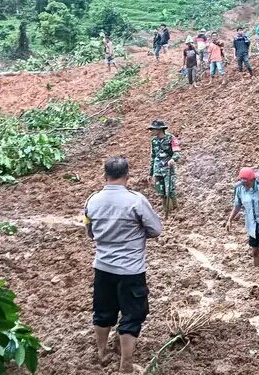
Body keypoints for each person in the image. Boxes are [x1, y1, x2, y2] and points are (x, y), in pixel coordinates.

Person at [84, 156, 162, 373]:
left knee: (102, 311)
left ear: (105, 175)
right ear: (127, 175)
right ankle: (126, 362)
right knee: (132, 314)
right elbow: (155, 229)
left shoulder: (92, 201)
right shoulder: (136, 201)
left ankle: (101, 352)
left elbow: (89, 233)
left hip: (102, 266)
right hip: (131, 270)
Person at [147, 120, 181, 217]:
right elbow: (153, 157)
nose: (152, 131)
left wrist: (173, 159)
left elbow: (177, 152)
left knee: (170, 189)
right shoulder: (154, 141)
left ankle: (174, 210)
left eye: (153, 129)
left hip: (168, 168)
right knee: (161, 191)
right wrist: (150, 173)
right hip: (158, 169)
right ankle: (166, 210)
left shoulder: (171, 138)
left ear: (160, 129)